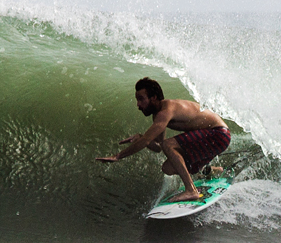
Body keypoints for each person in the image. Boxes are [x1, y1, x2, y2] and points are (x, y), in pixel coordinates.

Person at [96, 77, 231, 202]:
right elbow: (159, 147)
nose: (138, 105)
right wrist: (141, 137)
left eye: (141, 99)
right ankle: (212, 170)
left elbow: (148, 143)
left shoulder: (166, 110)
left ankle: (191, 190)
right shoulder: (158, 116)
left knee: (170, 144)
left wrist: (118, 156)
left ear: (154, 97)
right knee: (168, 167)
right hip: (212, 138)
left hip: (218, 134)